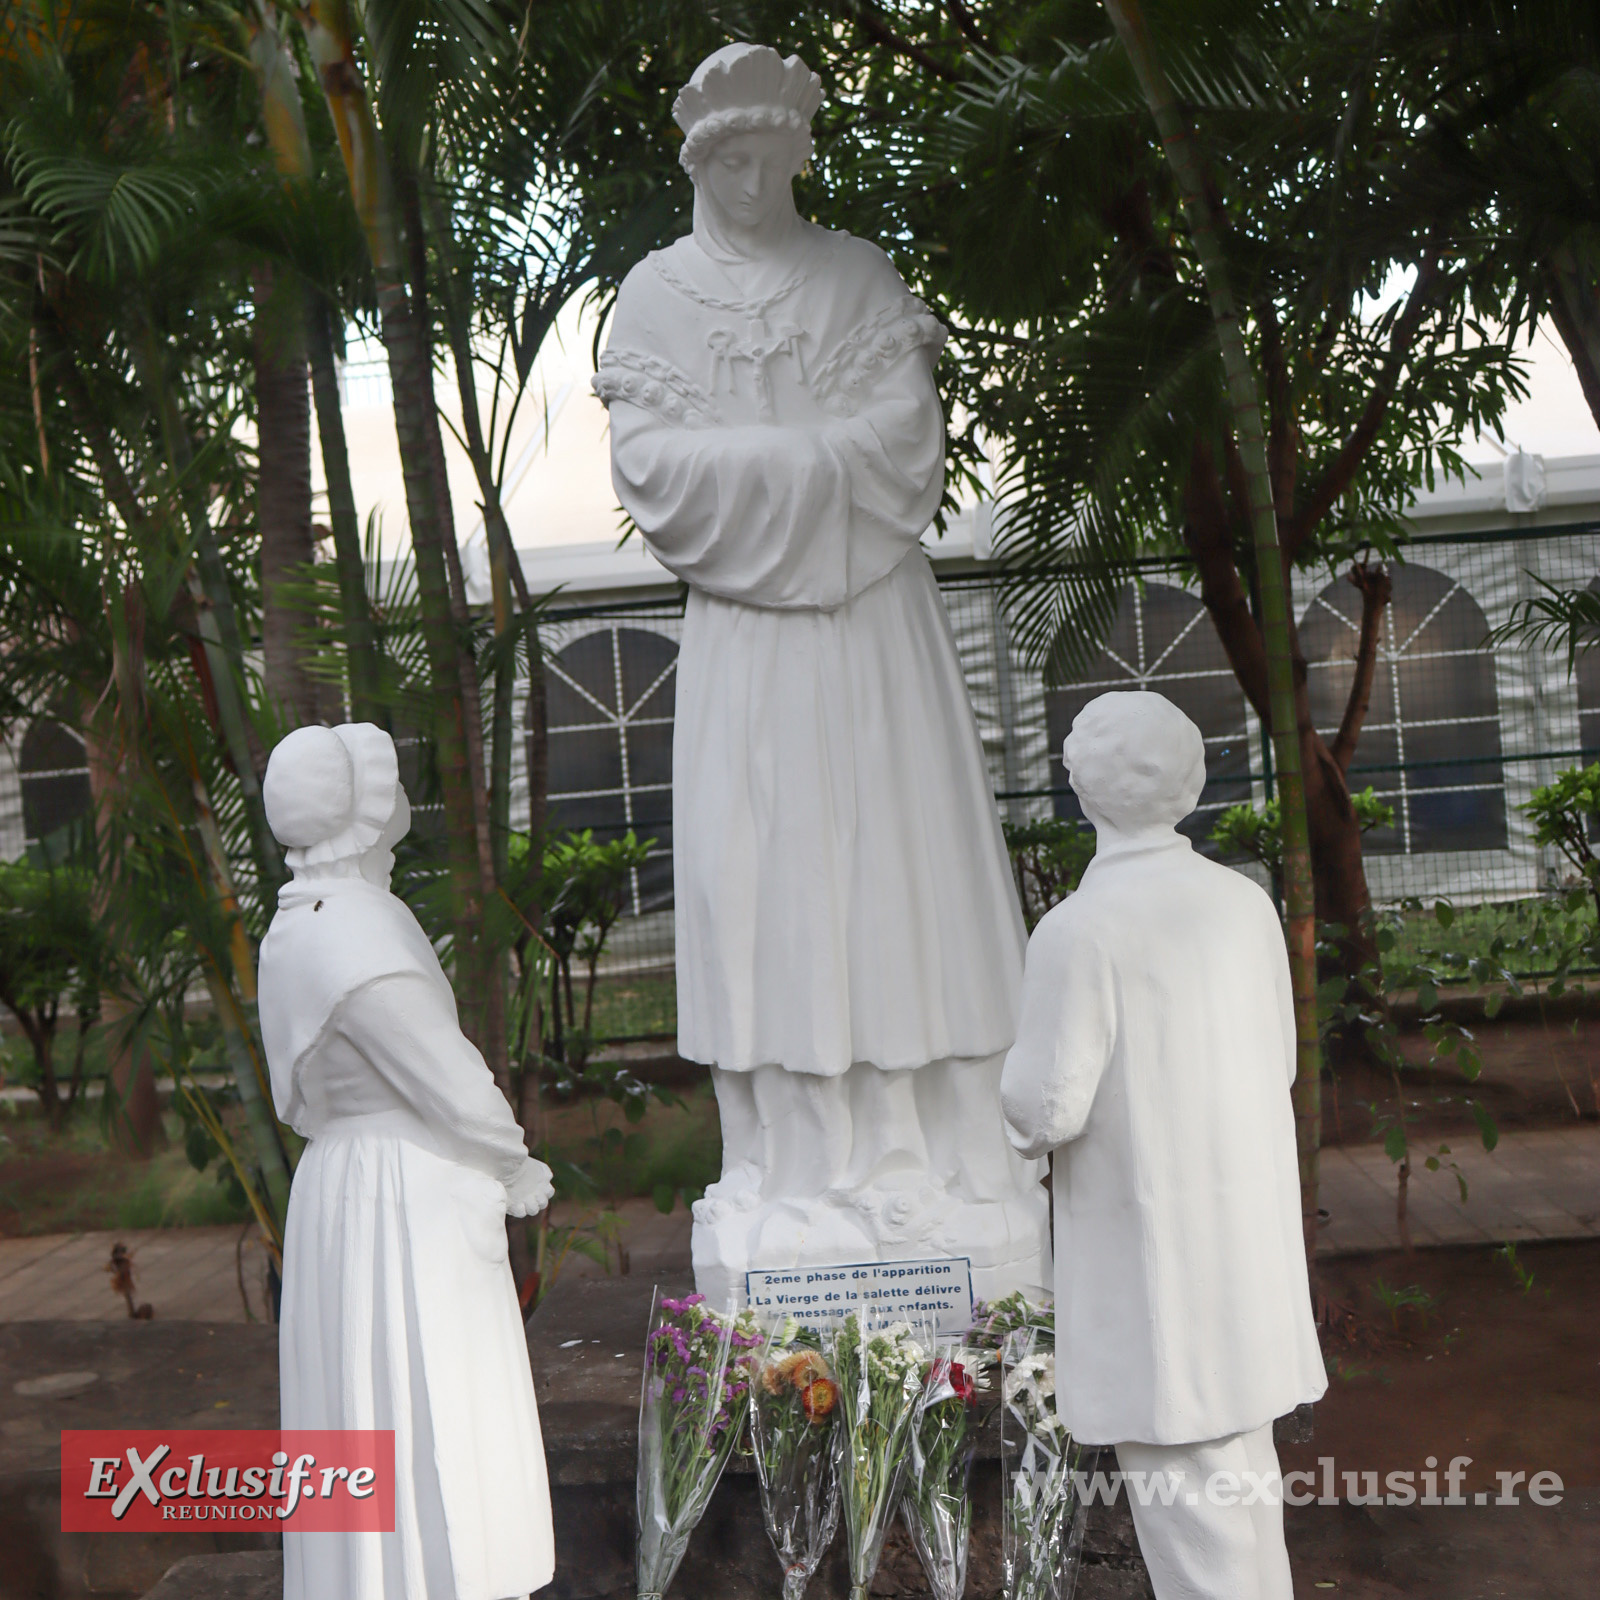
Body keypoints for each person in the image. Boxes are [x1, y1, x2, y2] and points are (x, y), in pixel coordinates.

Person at [594, 42, 1048, 1300]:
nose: (751, 179)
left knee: (901, 870)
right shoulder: (655, 297)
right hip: (752, 649)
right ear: (698, 162)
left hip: (872, 634)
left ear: (798, 154)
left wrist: (761, 463)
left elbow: (906, 444)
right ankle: (793, 1162)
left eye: (770, 156)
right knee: (772, 878)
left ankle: (925, 1147)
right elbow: (653, 475)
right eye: (728, 159)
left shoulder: (857, 273)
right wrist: (814, 468)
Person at [999, 691, 1327, 1600]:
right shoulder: (1244, 904)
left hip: (1157, 1282)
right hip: (1244, 1260)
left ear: (1085, 791)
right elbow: (1281, 1059)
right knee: (1246, 1512)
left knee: (1197, 1532)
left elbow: (1043, 1109)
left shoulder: (1078, 931)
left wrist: (1004, 1083)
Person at [258, 723, 554, 1600]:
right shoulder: (358, 930)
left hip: (342, 1183)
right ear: (362, 819)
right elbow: (442, 1071)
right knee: (426, 1401)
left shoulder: (293, 925)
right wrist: (511, 1158)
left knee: (365, 1394)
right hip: (401, 1188)